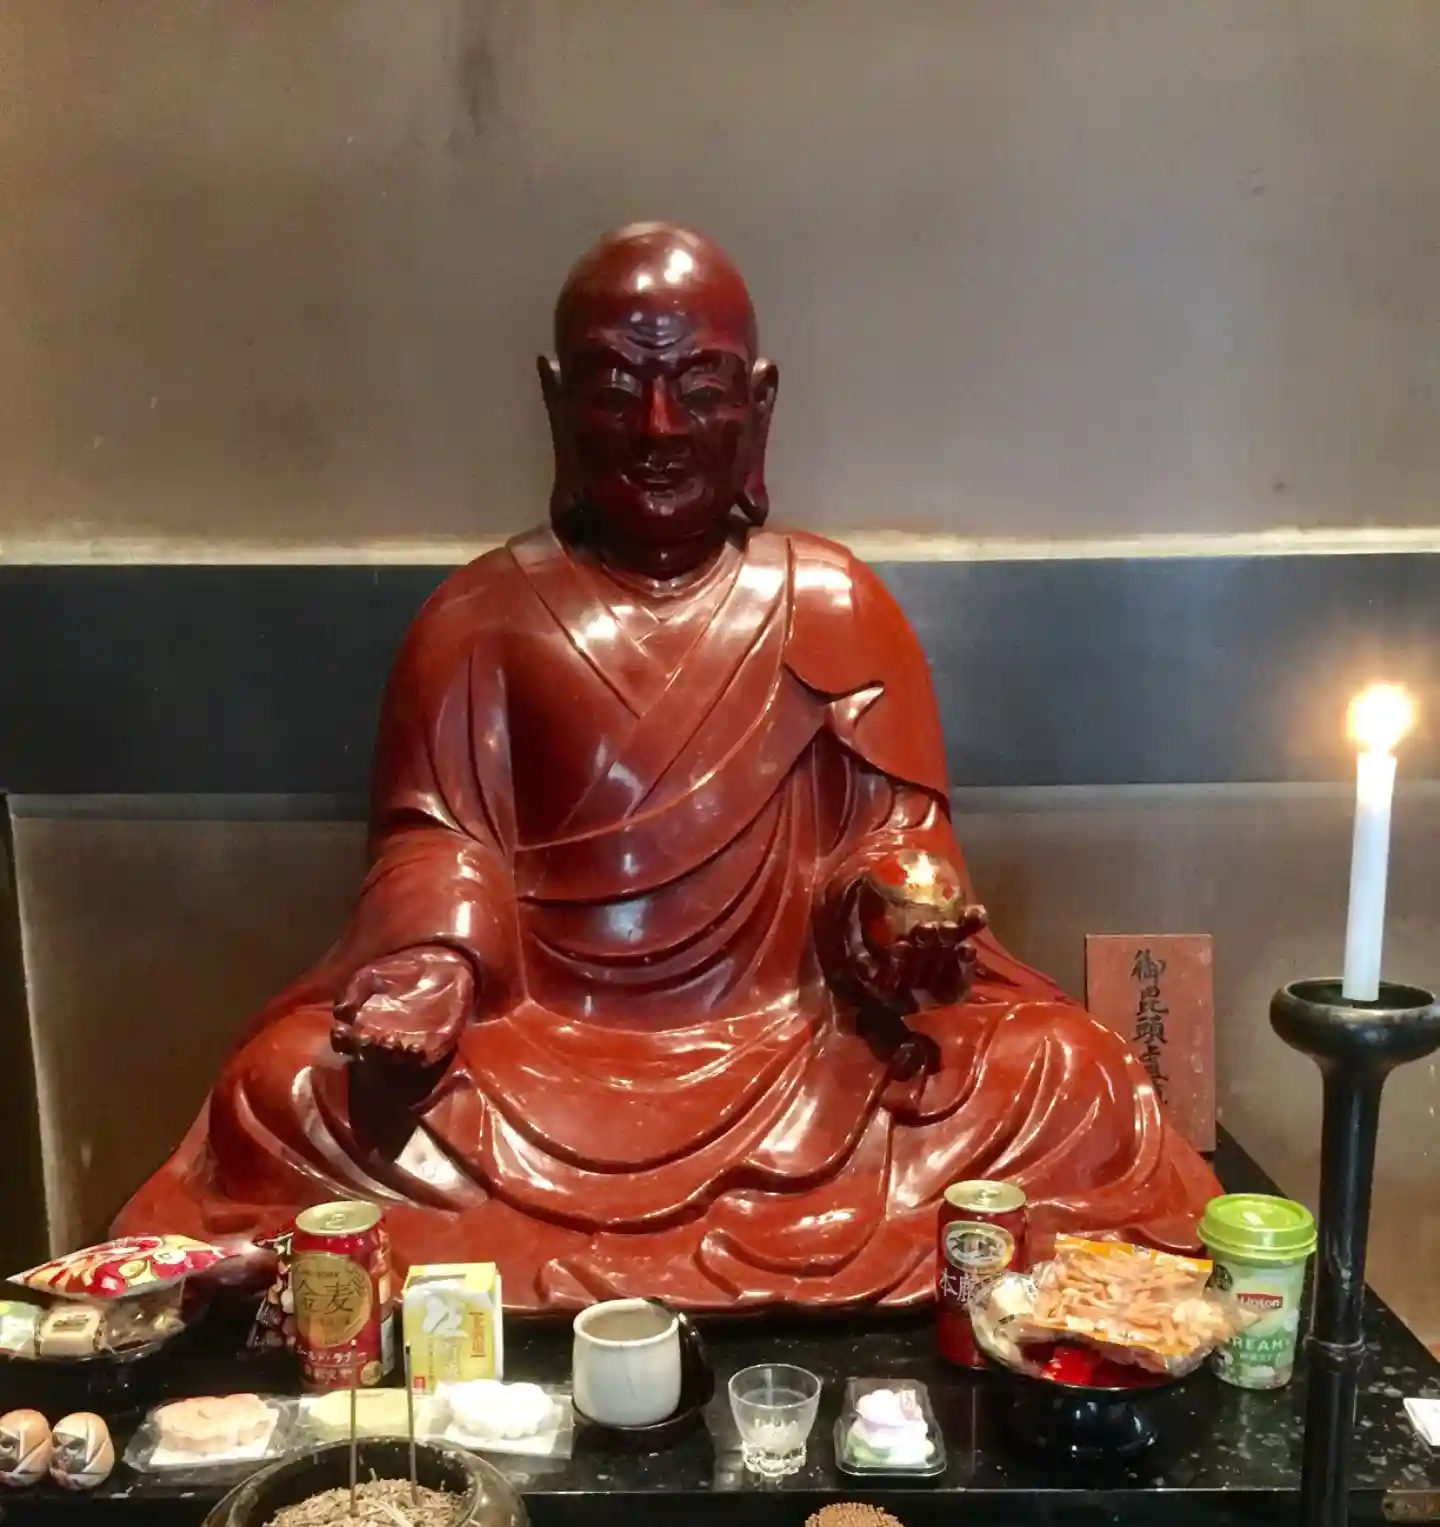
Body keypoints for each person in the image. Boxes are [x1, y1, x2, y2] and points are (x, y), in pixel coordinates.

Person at [116, 223, 1219, 1310]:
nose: (658, 427)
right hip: (543, 1055)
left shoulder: (834, 603)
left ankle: (549, 1250)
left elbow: (896, 850)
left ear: (759, 406)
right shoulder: (477, 618)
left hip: (797, 1044)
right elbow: (438, 844)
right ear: (556, 404)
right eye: (614, 389)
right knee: (282, 1088)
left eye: (700, 389)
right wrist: (437, 968)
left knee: (1065, 1073)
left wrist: (899, 919)